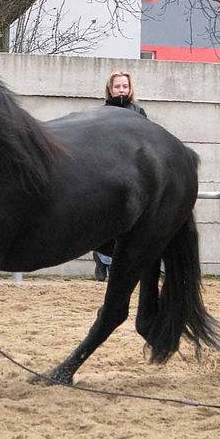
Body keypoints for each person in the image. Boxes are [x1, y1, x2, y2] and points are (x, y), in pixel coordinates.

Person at [94, 70, 147, 282]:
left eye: (125, 86)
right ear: (110, 89)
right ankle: (101, 262)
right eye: (117, 86)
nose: (121, 90)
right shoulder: (102, 113)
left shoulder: (138, 111)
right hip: (110, 171)